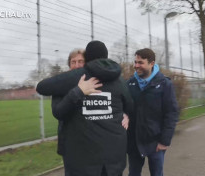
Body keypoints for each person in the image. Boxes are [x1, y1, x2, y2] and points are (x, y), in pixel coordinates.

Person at [37, 40, 133, 176]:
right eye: (73, 62)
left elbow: (41, 87)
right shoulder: (119, 80)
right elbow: (130, 104)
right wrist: (79, 90)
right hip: (106, 156)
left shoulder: (72, 79)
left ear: (87, 60)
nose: (77, 66)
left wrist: (125, 114)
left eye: (80, 62)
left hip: (89, 160)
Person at [126, 48, 179, 176]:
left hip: (156, 142)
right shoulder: (129, 84)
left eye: (140, 62)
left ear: (151, 63)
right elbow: (124, 108)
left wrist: (164, 141)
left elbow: (171, 113)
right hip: (135, 141)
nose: (136, 66)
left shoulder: (164, 84)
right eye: (135, 62)